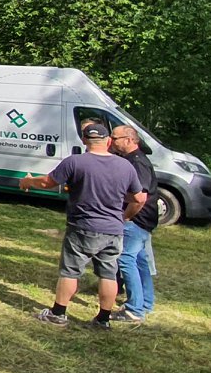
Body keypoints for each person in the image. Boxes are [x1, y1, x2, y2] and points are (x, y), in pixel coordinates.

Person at [20, 123, 147, 329]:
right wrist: (124, 217)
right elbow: (139, 198)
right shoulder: (126, 167)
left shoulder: (75, 162)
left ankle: (58, 314)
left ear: (84, 140)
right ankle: (103, 319)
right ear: (107, 141)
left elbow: (47, 183)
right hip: (113, 230)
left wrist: (27, 182)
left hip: (82, 227)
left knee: (70, 271)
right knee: (108, 273)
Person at [110, 124, 159, 323]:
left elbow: (140, 197)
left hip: (137, 220)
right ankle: (146, 303)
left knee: (125, 260)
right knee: (140, 262)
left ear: (129, 140)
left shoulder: (138, 163)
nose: (112, 141)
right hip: (142, 220)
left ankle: (134, 310)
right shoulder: (130, 160)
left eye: (115, 138)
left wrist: (126, 217)